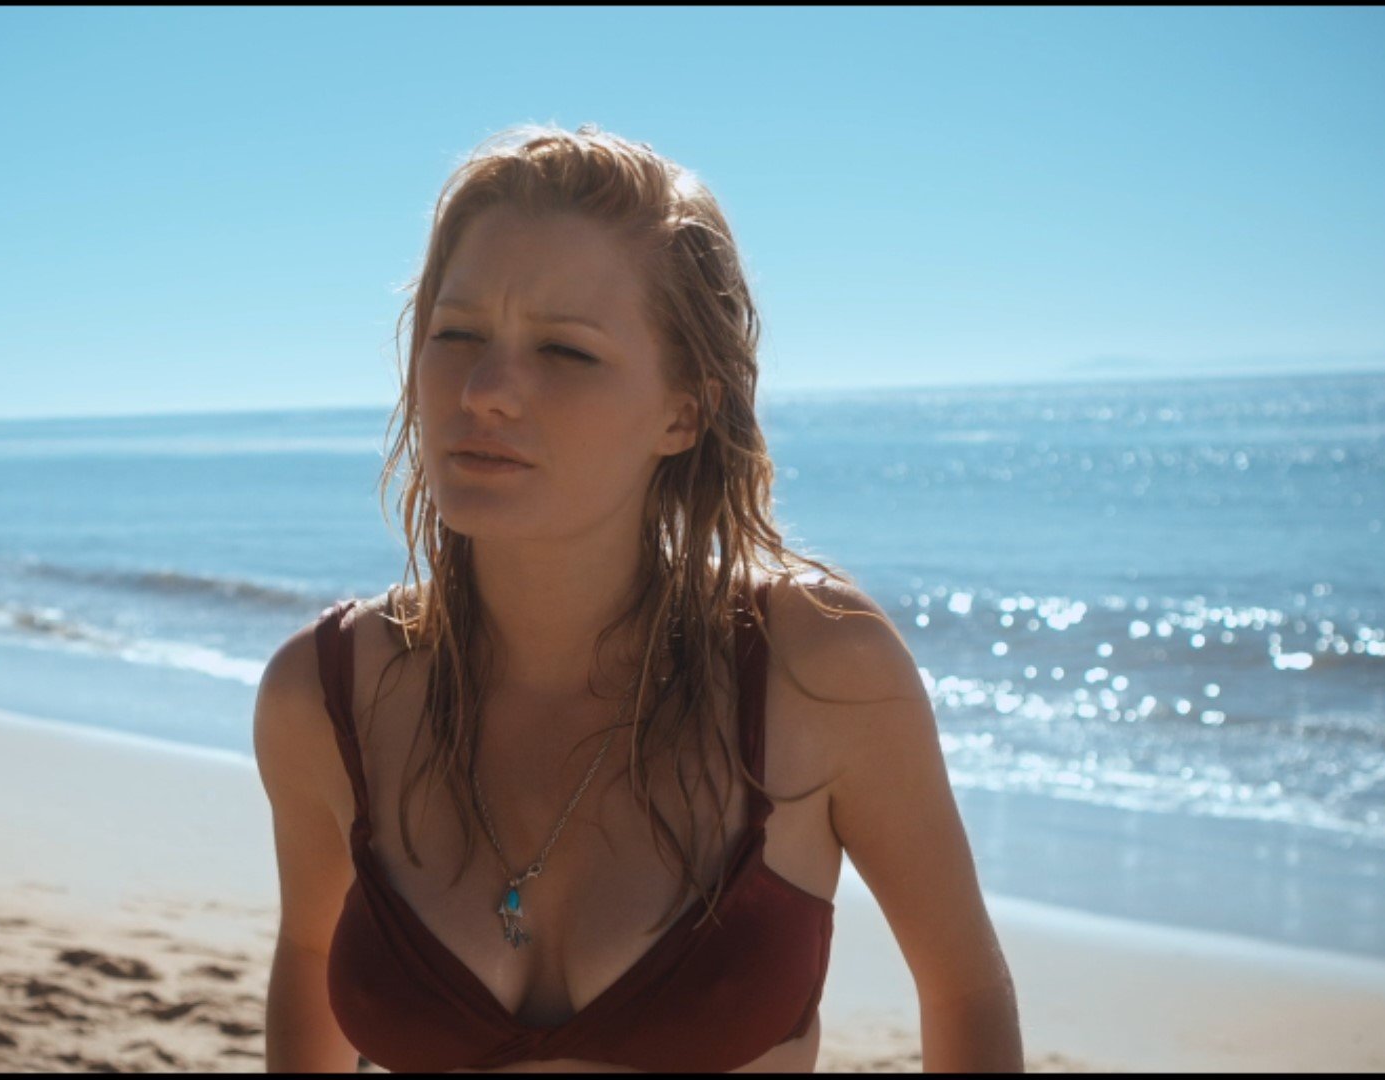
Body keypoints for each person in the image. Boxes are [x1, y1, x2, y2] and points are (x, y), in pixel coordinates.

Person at [255, 123, 1022, 1073]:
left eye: (565, 351)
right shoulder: (324, 694)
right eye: (456, 334)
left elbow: (964, 989)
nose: (485, 390)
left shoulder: (817, 669)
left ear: (684, 411)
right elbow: (309, 954)